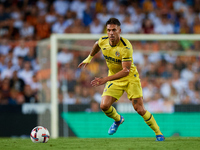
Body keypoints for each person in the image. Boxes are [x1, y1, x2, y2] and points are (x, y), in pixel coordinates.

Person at [78, 18, 165, 141]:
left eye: (114, 30)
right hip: (114, 78)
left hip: (130, 78)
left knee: (139, 109)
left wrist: (105, 79)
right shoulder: (104, 41)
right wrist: (89, 57)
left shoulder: (126, 47)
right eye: (109, 30)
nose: (111, 33)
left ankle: (158, 133)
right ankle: (118, 119)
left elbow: (126, 71)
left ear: (119, 30)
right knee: (104, 105)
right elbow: (97, 44)